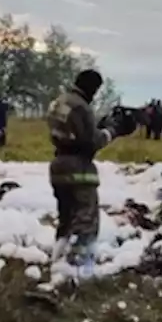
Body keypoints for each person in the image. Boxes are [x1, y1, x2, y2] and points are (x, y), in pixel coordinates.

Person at [46, 69, 133, 279]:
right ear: (92, 88)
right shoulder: (81, 107)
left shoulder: (59, 102)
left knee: (65, 218)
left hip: (58, 165)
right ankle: (77, 270)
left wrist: (97, 126)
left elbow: (72, 133)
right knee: (86, 219)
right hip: (79, 168)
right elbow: (90, 142)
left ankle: (56, 261)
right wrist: (112, 131)